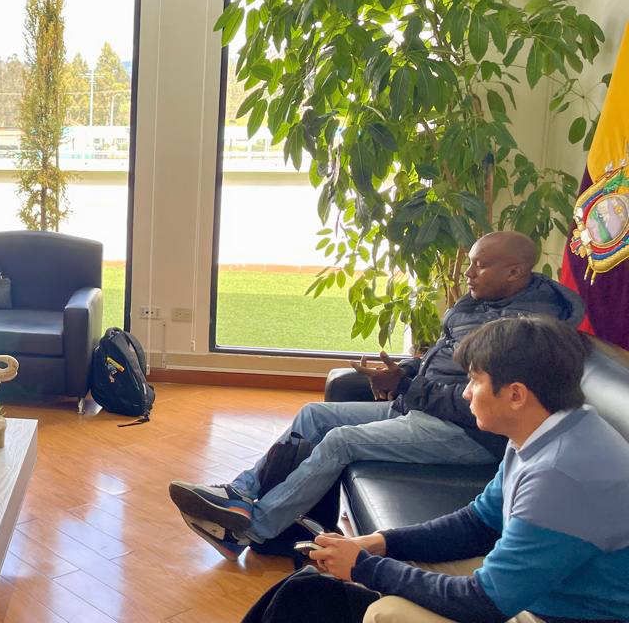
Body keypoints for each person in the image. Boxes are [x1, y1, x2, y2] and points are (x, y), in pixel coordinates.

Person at [169, 231, 585, 560]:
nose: (468, 273)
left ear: (514, 272)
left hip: (466, 434)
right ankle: (240, 495)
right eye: (471, 263)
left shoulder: (525, 333)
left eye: (480, 265)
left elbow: (473, 404)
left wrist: (406, 386)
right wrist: (403, 372)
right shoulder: (480, 301)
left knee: (341, 441)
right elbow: (440, 360)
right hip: (420, 408)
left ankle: (250, 530)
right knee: (314, 414)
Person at [308, 316, 629, 623]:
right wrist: (378, 543)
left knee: (387, 613)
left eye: (475, 381)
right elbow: (478, 523)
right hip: (540, 590)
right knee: (382, 568)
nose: (465, 392)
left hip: (567, 615)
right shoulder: (548, 429)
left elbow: (484, 603)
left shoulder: (559, 476)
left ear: (516, 394)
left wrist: (364, 567)